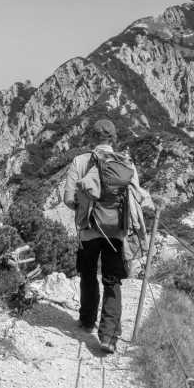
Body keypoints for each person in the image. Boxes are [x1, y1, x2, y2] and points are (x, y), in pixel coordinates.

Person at [63, 119, 145, 354]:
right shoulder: (126, 164)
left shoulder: (80, 161)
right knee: (112, 281)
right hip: (116, 233)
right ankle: (109, 336)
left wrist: (85, 205)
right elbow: (136, 197)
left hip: (89, 230)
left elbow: (69, 199)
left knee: (88, 274)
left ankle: (88, 320)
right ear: (114, 138)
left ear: (91, 138)